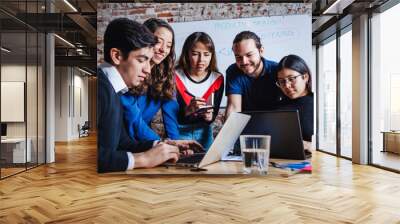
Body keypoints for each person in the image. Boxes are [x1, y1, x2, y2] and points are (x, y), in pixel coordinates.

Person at [98, 18, 201, 173]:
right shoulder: (104, 88)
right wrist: (145, 158)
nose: (147, 70)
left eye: (169, 45)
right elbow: (99, 155)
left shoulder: (116, 87)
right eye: (141, 60)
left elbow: (121, 141)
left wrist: (168, 145)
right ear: (117, 56)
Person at [120, 18, 179, 141]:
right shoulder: (129, 71)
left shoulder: (167, 75)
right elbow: (133, 119)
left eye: (169, 45)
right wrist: (159, 143)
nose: (164, 49)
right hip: (122, 138)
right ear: (144, 39)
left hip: (144, 139)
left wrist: (176, 143)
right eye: (158, 42)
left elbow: (170, 114)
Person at [175, 32, 224, 150]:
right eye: (195, 54)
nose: (201, 60)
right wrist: (188, 111)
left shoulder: (217, 78)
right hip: (180, 132)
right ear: (186, 54)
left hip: (205, 133)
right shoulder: (175, 76)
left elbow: (214, 113)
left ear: (212, 55)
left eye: (206, 54)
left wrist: (210, 117)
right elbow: (171, 116)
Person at [225, 31, 283, 119]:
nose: (244, 61)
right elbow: (234, 107)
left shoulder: (276, 69)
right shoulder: (233, 71)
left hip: (274, 120)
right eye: (238, 57)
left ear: (261, 51)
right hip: (246, 123)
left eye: (249, 55)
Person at [275, 54, 314, 151]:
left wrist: (309, 145)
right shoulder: (277, 108)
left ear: (305, 77)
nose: (287, 85)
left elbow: (332, 142)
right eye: (282, 82)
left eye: (291, 79)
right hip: (280, 160)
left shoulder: (317, 103)